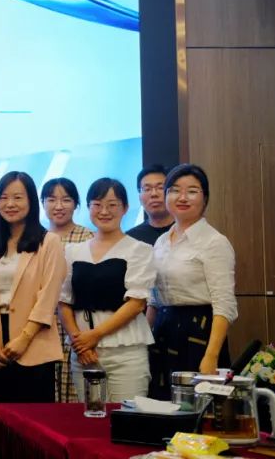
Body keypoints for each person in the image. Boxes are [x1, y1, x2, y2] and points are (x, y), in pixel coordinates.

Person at [0, 171, 66, 459]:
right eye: (3, 198)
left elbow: (49, 295)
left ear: (31, 202)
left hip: (33, 345)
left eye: (17, 197)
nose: (10, 204)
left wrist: (24, 338)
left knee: (30, 437)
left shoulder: (49, 242)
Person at [58, 178, 156, 402]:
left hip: (126, 351)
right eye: (97, 204)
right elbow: (63, 302)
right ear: (88, 207)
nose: (104, 211)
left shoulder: (139, 249)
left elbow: (136, 303)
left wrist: (94, 336)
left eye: (112, 205)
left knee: (126, 415)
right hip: (83, 354)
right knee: (90, 417)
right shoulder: (73, 251)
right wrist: (80, 344)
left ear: (125, 208)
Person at [148, 163, 237, 398]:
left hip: (198, 332)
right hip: (164, 329)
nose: (182, 197)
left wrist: (211, 355)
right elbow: (154, 301)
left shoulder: (214, 242)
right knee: (161, 401)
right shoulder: (161, 241)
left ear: (205, 198)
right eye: (175, 190)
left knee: (196, 405)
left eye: (192, 191)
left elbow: (224, 305)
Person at [41, 177, 93, 403]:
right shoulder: (36, 239)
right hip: (43, 325)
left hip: (76, 325)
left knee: (76, 393)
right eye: (51, 200)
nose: (59, 206)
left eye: (66, 200)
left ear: (76, 204)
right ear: (42, 203)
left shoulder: (87, 238)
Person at [128, 164, 173, 246]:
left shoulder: (185, 231)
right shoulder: (131, 239)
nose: (154, 194)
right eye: (147, 189)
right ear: (139, 197)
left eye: (160, 187)